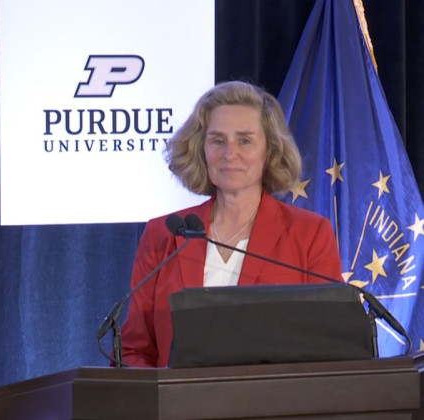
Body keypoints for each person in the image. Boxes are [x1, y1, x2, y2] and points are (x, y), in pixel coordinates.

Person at [120, 81, 342, 367]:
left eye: (245, 140)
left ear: (270, 151)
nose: (229, 153)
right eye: (217, 140)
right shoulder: (164, 235)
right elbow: (134, 350)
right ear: (201, 149)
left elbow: (330, 346)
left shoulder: (310, 234)